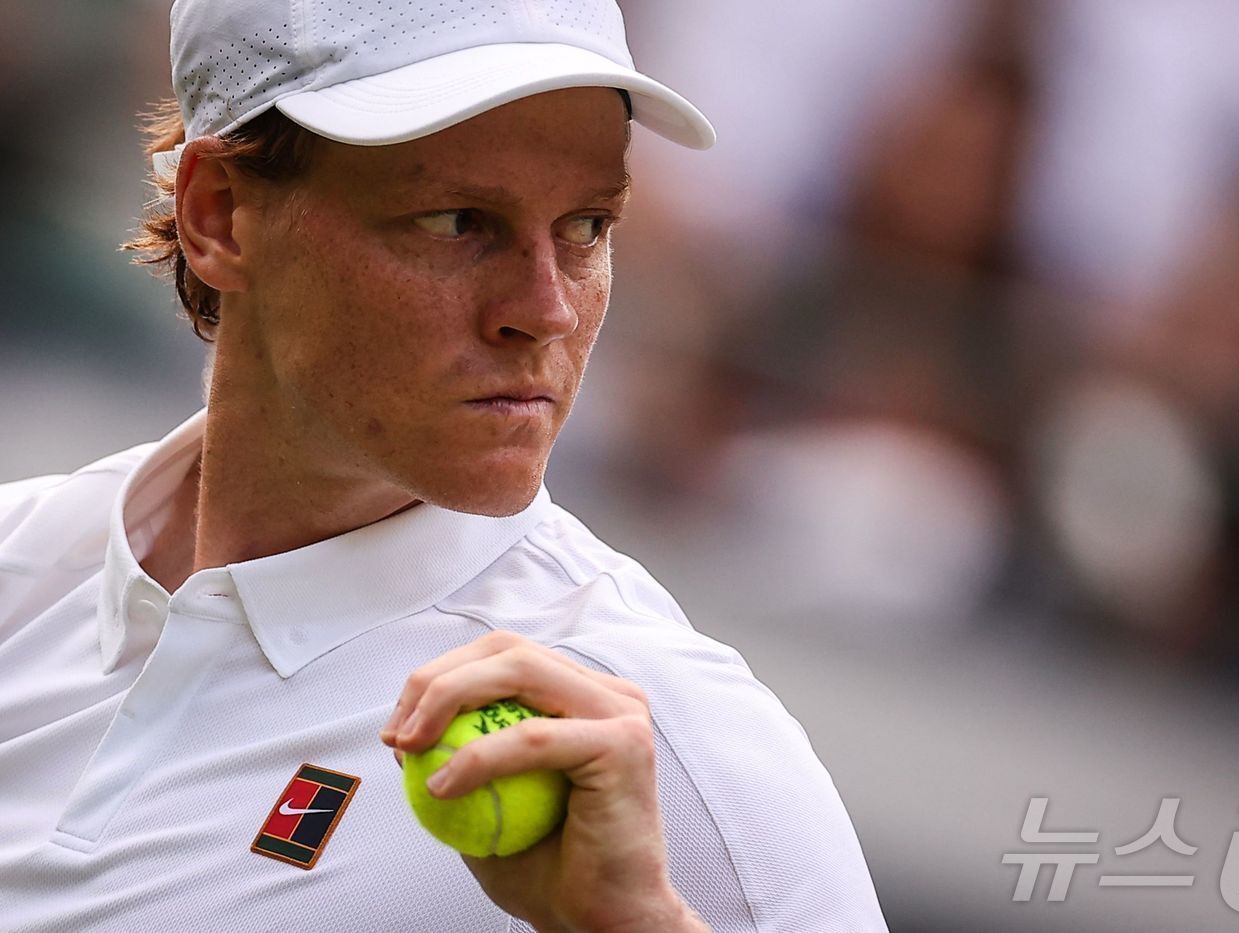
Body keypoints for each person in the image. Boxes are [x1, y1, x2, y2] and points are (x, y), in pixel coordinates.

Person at [0, 1, 888, 930]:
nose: (545, 308)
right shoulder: (24, 563)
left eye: (587, 225)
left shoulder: (684, 748)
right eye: (459, 220)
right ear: (218, 215)